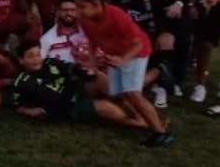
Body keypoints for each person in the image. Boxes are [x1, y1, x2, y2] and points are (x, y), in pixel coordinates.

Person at [73, 0, 172, 147]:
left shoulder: (116, 15)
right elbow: (91, 40)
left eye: (82, 6)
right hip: (117, 54)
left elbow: (138, 43)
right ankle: (143, 117)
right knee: (118, 92)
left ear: (97, 3)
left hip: (136, 52)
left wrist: (123, 60)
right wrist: (92, 60)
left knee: (132, 92)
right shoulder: (85, 19)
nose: (78, 11)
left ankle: (161, 134)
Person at [11, 40, 147, 129]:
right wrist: (29, 111)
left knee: (99, 77)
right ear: (21, 60)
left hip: (74, 87)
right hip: (67, 105)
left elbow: (69, 67)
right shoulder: (22, 82)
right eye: (30, 56)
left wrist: (82, 71)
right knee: (107, 108)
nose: (36, 59)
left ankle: (139, 112)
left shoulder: (49, 62)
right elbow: (18, 106)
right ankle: (136, 123)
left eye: (38, 55)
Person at [109, 0, 180, 108]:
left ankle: (158, 79)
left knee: (167, 40)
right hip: (130, 43)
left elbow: (181, 0)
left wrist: (169, 30)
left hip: (154, 38)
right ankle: (154, 77)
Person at [38, 0, 90, 67]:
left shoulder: (88, 32)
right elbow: (40, 62)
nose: (69, 13)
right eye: (65, 10)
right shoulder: (47, 38)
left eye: (73, 10)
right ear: (58, 12)